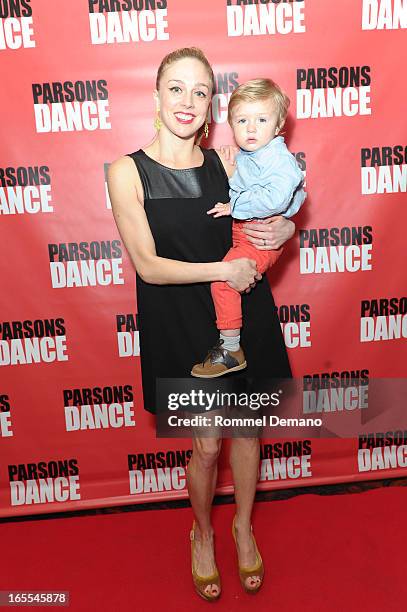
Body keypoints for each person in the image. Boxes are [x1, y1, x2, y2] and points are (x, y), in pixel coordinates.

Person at [107, 47, 295, 601]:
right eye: (176, 88)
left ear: (212, 105)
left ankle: (242, 527)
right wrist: (225, 270)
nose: (187, 101)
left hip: (239, 315)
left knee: (245, 433)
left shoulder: (229, 162)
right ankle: (201, 531)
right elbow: (147, 264)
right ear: (157, 96)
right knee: (207, 447)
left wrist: (284, 231)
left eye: (199, 91)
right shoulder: (127, 171)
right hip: (180, 323)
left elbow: (256, 236)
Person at [191, 78, 306, 378]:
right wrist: (235, 159)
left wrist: (235, 208)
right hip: (245, 234)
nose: (251, 128)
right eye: (242, 120)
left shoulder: (279, 159)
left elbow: (278, 197)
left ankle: (230, 349)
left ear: (279, 123)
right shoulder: (250, 154)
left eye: (261, 119)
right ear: (231, 124)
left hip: (258, 237)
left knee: (223, 281)